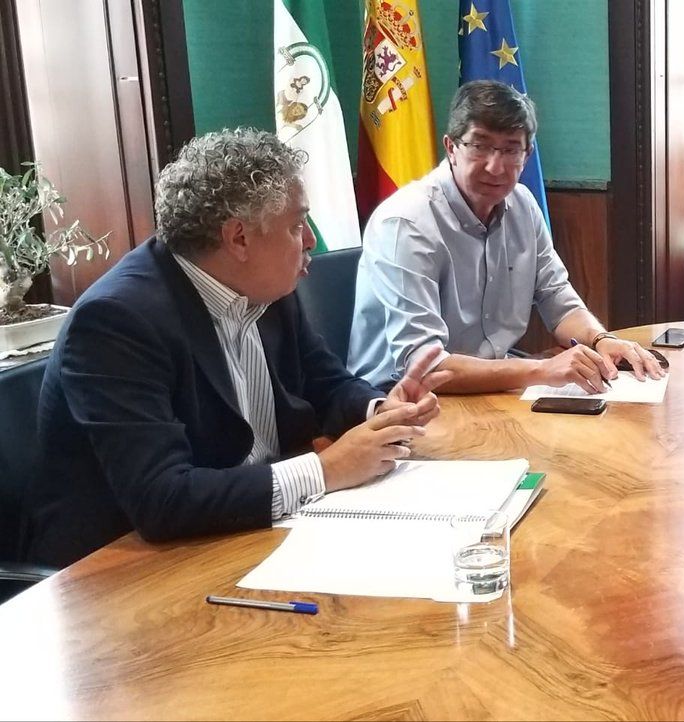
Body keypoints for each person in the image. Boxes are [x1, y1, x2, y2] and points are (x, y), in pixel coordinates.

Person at [25, 128, 449, 568]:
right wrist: (327, 471)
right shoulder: (117, 322)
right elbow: (161, 498)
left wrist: (380, 413)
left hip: (248, 529)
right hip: (123, 569)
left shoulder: (266, 287)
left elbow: (325, 382)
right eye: (296, 224)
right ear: (239, 238)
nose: (310, 241)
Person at [348, 79, 664, 395]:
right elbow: (424, 366)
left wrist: (601, 339)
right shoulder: (407, 223)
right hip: (397, 398)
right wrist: (542, 369)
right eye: (480, 145)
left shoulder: (522, 205)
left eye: (511, 149)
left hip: (489, 384)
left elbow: (556, 297)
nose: (495, 167)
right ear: (451, 147)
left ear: (527, 155)